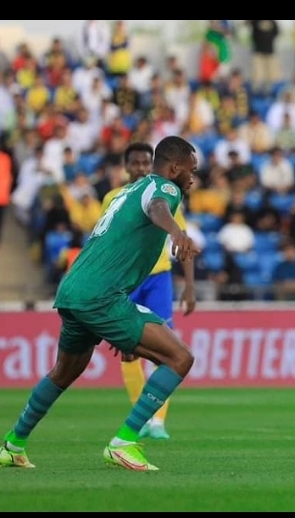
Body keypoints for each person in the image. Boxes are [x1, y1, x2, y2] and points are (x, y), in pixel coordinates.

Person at [0, 135, 200, 471]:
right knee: (179, 357)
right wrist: (177, 233)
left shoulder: (127, 192)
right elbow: (159, 208)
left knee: (64, 372)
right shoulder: (166, 188)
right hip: (101, 296)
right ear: (174, 167)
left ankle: (13, 444)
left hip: (74, 290)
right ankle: (124, 442)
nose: (193, 177)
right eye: (191, 169)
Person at [100, 141, 197, 441]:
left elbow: (182, 241)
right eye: (136, 163)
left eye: (145, 163)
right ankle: (140, 419)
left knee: (164, 352)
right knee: (129, 353)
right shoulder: (114, 197)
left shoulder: (166, 194)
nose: (141, 168)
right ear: (127, 166)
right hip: (127, 281)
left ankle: (158, 421)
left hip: (157, 280)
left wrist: (190, 287)